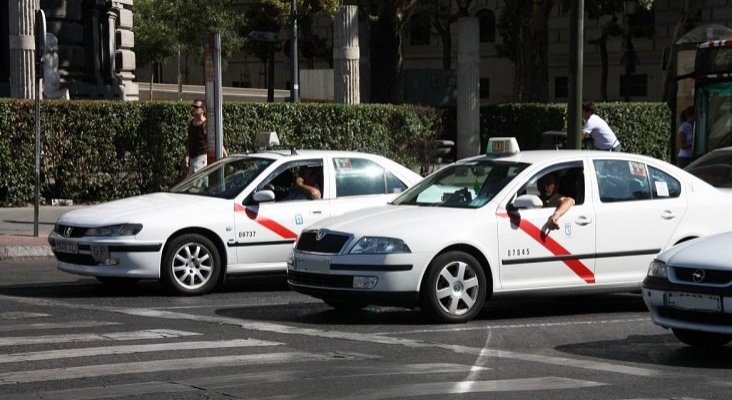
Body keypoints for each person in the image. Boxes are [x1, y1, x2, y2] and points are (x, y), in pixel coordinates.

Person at [185, 99, 208, 176]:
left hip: (201, 158)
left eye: (196, 107)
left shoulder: (205, 124)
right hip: (192, 159)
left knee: (194, 184)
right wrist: (187, 156)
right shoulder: (191, 122)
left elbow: (213, 140)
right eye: (193, 107)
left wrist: (225, 155)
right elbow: (190, 141)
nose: (194, 109)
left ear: (203, 109)